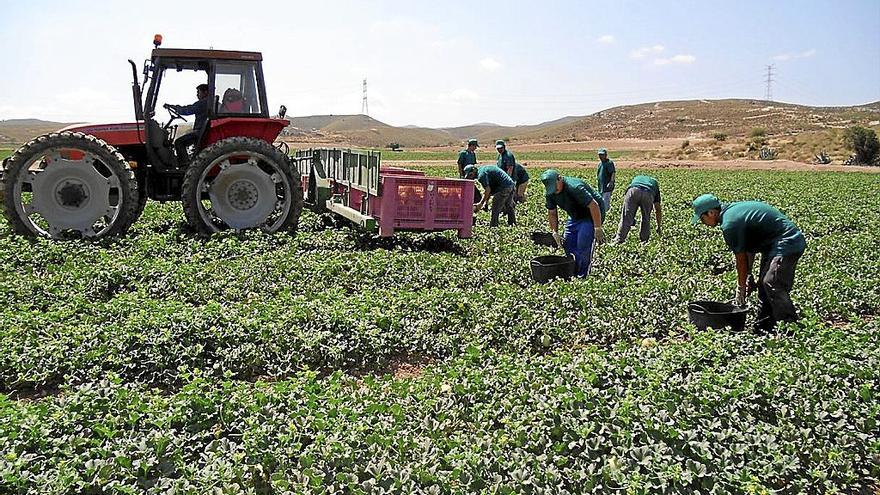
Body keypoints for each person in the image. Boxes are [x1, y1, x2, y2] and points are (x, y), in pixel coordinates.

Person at [692, 194, 806, 332]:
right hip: (772, 245)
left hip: (787, 241)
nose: (703, 223)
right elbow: (747, 250)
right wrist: (748, 276)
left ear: (711, 212)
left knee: (771, 282)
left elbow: (740, 260)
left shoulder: (730, 224)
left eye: (702, 219)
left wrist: (741, 289)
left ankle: (791, 326)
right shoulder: (731, 213)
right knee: (763, 286)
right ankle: (764, 326)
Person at [541, 169, 606, 277]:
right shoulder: (550, 193)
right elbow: (552, 212)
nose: (555, 191)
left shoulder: (574, 187)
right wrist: (555, 232)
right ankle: (573, 270)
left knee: (583, 243)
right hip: (575, 215)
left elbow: (594, 205)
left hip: (591, 215)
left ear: (559, 178)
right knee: (568, 243)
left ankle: (583, 274)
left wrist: (597, 227)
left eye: (555, 187)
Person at [164, 83, 210, 165]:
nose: (197, 95)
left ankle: (184, 165)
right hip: (204, 130)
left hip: (201, 132)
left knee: (178, 142)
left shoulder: (204, 102)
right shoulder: (210, 102)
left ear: (205, 92)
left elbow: (187, 110)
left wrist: (174, 107)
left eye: (198, 92)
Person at [613, 175, 662, 243]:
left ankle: (619, 239)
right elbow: (658, 209)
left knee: (626, 217)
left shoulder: (637, 178)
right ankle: (644, 241)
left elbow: (627, 201)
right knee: (646, 218)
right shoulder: (654, 183)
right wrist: (658, 226)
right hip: (648, 193)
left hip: (633, 190)